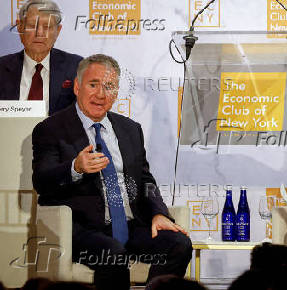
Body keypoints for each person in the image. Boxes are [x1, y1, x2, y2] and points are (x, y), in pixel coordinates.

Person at [32, 54, 192, 290]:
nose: (101, 94)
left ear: (116, 93)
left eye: (109, 87)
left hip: (131, 225)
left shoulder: (130, 129)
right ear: (77, 86)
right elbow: (42, 181)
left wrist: (159, 213)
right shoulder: (51, 129)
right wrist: (75, 167)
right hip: (83, 229)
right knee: (112, 253)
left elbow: (145, 179)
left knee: (179, 244)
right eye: (93, 84)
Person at [0, 0, 82, 115]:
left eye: (47, 27)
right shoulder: (2, 68)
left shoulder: (75, 66)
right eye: (32, 26)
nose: (39, 33)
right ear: (20, 28)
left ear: (57, 31)